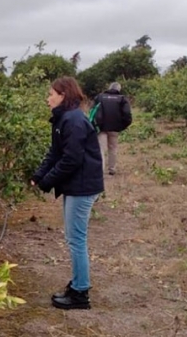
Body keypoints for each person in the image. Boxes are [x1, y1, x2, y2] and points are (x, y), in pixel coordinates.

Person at [31, 76, 104, 310]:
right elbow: (55, 153)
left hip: (82, 187)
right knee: (74, 238)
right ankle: (77, 285)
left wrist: (47, 181)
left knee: (76, 239)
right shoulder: (64, 119)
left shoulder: (73, 121)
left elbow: (71, 159)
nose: (47, 98)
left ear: (63, 95)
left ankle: (80, 294)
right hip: (76, 185)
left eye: (51, 94)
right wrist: (38, 176)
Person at [93, 81, 132, 175]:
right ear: (119, 89)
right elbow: (127, 114)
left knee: (101, 149)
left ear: (109, 88)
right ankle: (112, 169)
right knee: (113, 148)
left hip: (101, 127)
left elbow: (92, 111)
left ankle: (100, 171)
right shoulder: (122, 98)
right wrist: (123, 126)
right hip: (115, 128)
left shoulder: (100, 97)